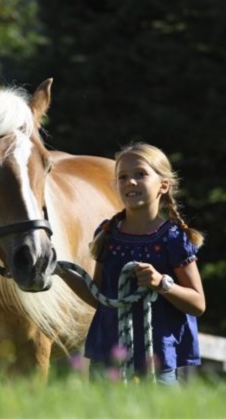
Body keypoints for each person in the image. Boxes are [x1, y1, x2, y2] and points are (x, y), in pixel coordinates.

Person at [59, 142, 206, 385]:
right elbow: (100, 297)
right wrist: (62, 272)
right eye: (123, 177)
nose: (131, 182)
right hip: (108, 356)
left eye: (140, 174)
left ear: (163, 185)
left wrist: (161, 283)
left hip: (156, 361)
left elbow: (198, 303)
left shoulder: (173, 239)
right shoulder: (107, 235)